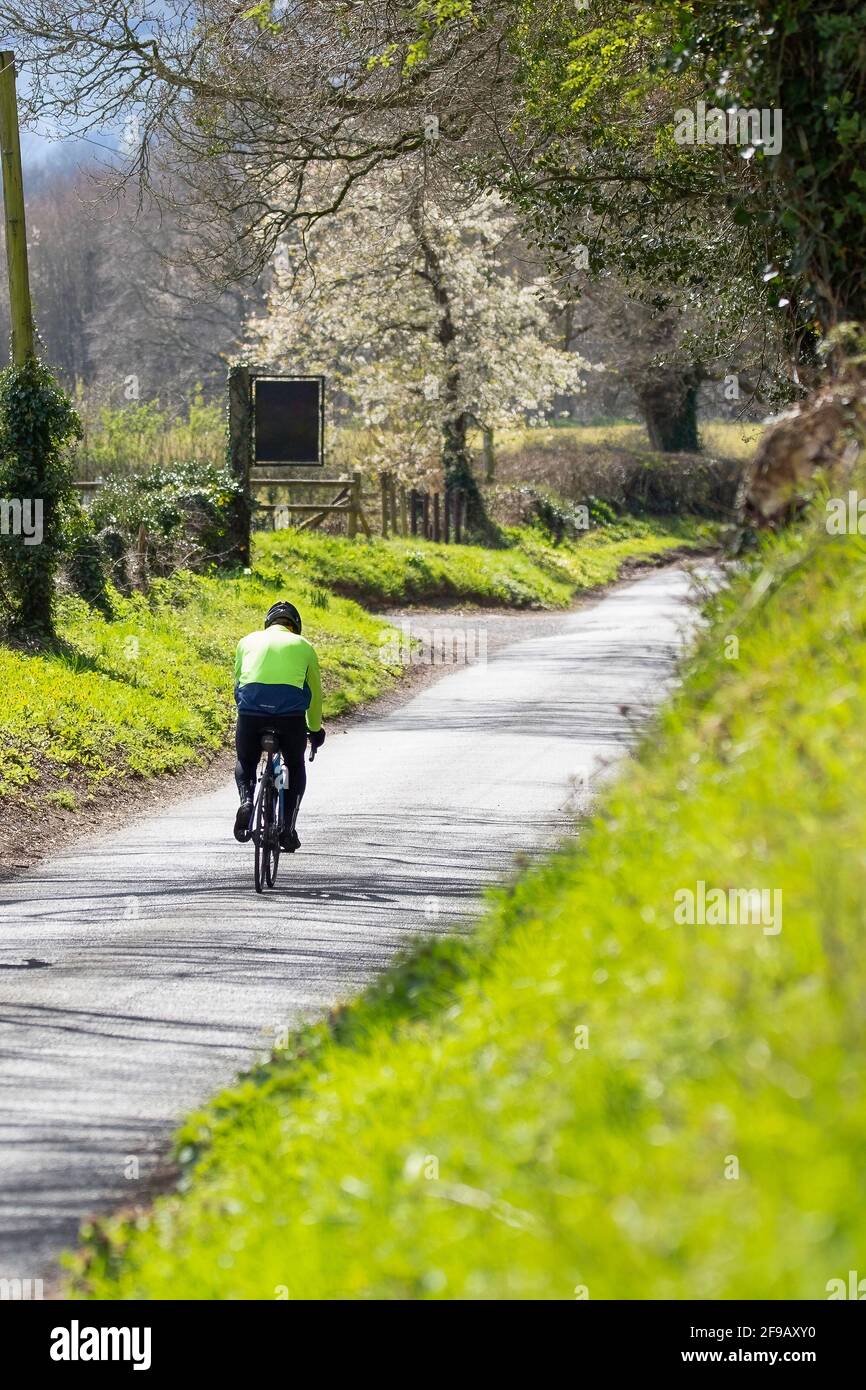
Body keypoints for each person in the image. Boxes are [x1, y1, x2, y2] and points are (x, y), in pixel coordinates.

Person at [232, 600, 325, 851]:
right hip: (290, 717)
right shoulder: (305, 646)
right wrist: (315, 729)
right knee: (294, 764)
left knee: (246, 761)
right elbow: (314, 694)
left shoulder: (246, 641)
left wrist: (247, 711)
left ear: (268, 624)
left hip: (251, 712)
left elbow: (237, 683)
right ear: (295, 627)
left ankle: (247, 801)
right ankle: (287, 828)